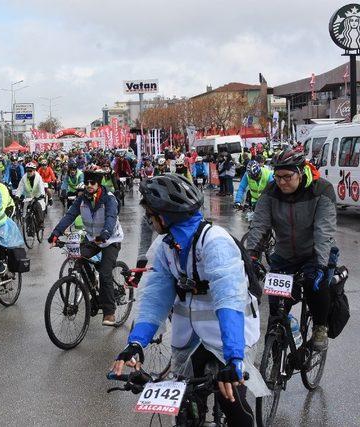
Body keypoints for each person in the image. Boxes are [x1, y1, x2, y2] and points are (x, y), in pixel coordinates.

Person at [112, 175, 265, 427]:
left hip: (230, 333)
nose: (149, 221)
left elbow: (229, 301)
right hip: (191, 338)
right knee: (185, 407)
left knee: (232, 401)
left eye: (151, 215)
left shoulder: (215, 242)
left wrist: (233, 358)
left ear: (165, 216)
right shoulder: (166, 246)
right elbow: (155, 298)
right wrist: (136, 342)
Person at [246, 148, 336, 350]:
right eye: (277, 177)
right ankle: (276, 350)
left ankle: (320, 327)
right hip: (284, 256)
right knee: (277, 308)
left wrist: (321, 264)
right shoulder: (271, 192)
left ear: (301, 171)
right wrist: (250, 256)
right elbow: (259, 226)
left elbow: (324, 231)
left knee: (316, 285)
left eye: (287, 177)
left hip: (314, 253)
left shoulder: (322, 190)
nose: (281, 182)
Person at [49, 168, 122, 326]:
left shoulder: (109, 198)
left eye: (92, 182)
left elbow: (111, 217)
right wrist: (56, 233)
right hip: (92, 239)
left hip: (110, 240)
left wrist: (105, 233)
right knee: (78, 258)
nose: (89, 185)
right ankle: (92, 288)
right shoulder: (81, 199)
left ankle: (109, 312)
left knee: (104, 273)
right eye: (87, 182)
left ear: (98, 183)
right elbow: (69, 215)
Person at [16, 163, 46, 233]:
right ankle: (29, 227)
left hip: (37, 197)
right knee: (26, 211)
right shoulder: (24, 178)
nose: (29, 172)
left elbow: (41, 187)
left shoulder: (38, 177)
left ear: (34, 170)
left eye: (30, 170)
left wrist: (42, 194)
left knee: (37, 206)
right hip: (28, 197)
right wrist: (17, 196)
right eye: (27, 171)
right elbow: (20, 188)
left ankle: (40, 223)